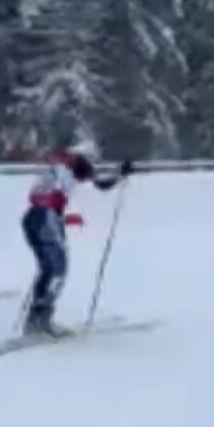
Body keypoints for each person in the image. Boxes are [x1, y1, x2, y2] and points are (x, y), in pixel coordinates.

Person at [22, 144, 133, 337]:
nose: (91, 167)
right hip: (46, 217)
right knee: (57, 268)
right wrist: (120, 174)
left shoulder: (58, 164)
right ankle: (40, 321)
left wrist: (117, 174)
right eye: (90, 162)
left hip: (34, 217)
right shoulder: (70, 165)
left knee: (48, 269)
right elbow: (99, 183)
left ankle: (35, 319)